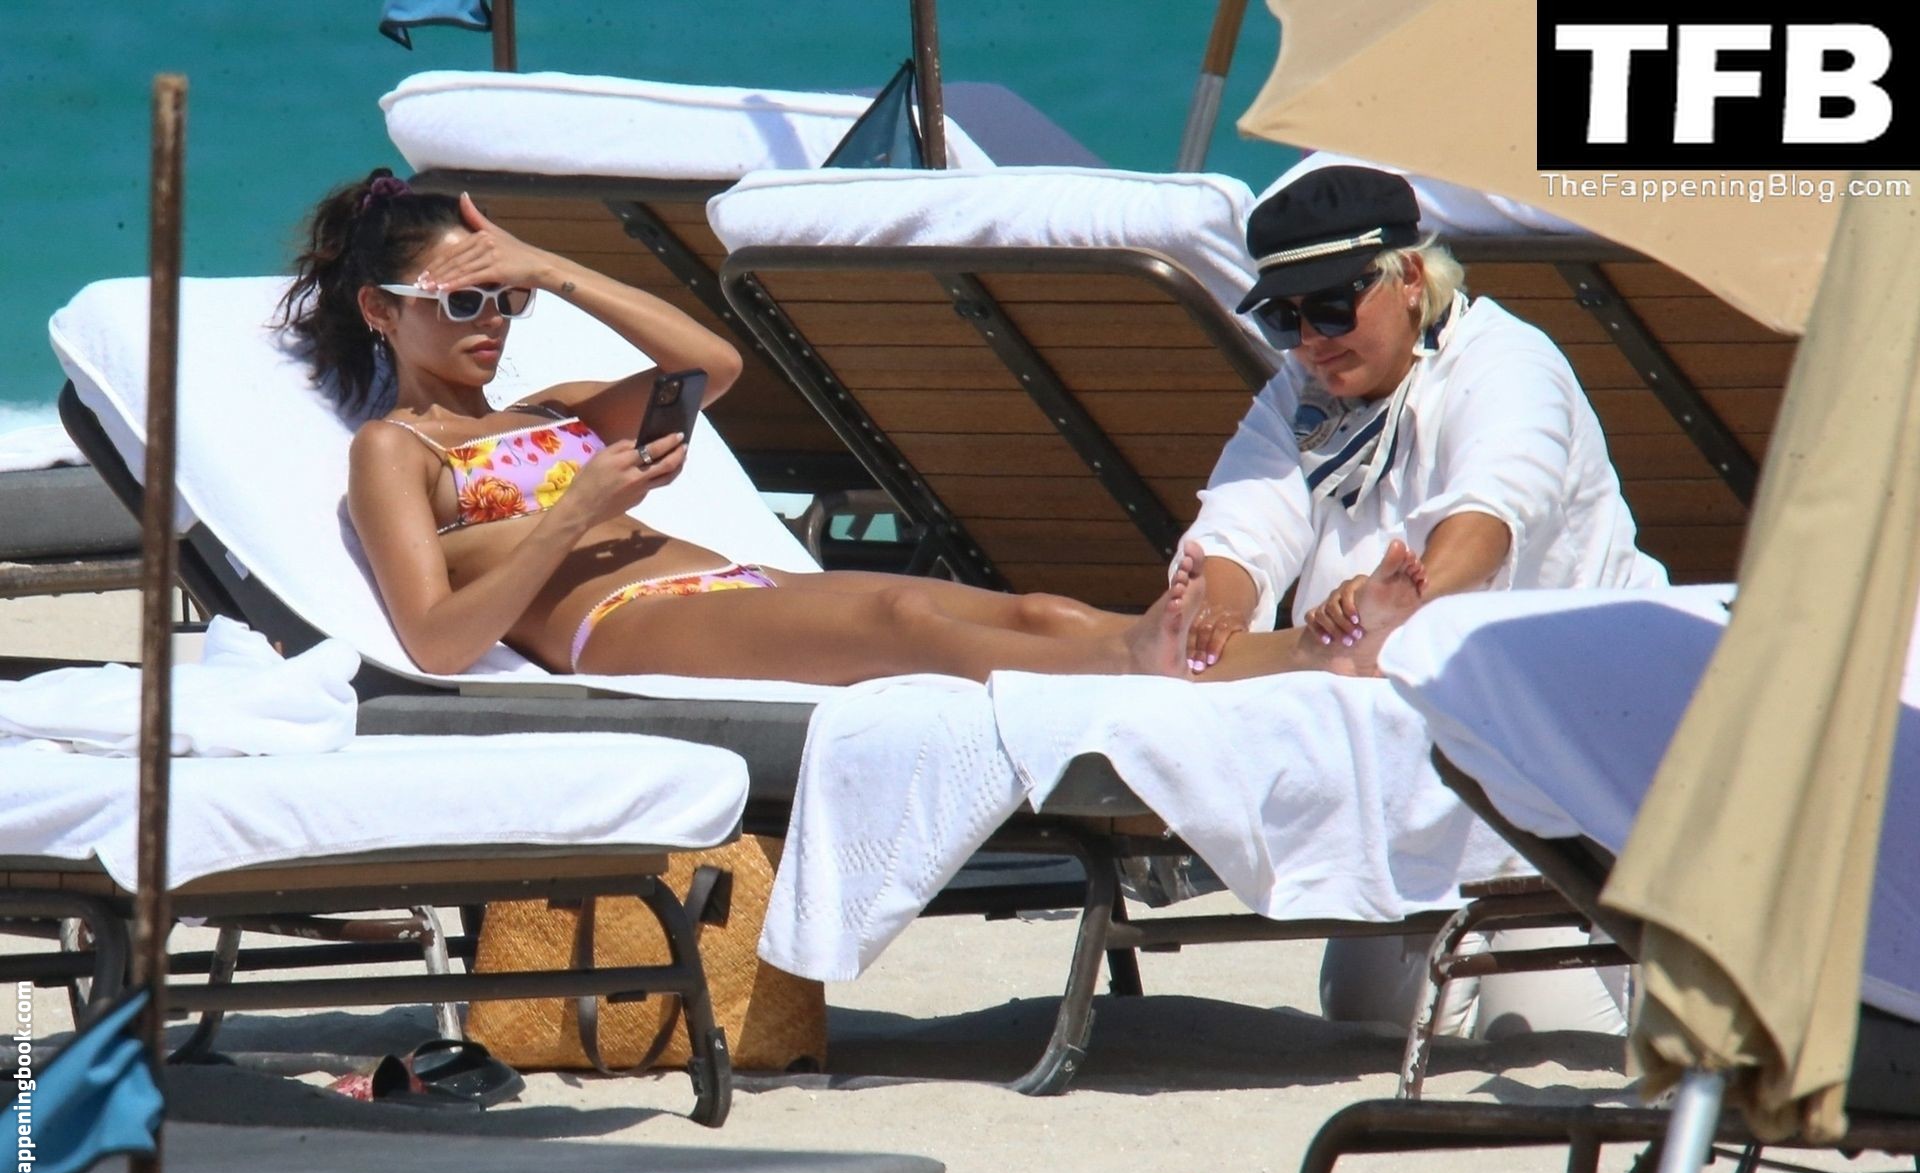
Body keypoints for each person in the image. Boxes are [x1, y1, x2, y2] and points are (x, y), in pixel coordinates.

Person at [280, 169, 1421, 684]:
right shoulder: (396, 453)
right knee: (900, 613)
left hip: (723, 584)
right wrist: (575, 512)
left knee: (1036, 609)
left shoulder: (554, 408)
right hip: (622, 626)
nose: (491, 321)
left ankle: (1309, 654)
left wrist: (556, 268)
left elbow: (711, 365)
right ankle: (1157, 659)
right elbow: (437, 641)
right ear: (381, 312)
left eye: (503, 299)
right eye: (461, 301)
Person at [1177, 165, 1666, 675]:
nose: (1309, 339)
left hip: (1584, 672)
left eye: (1331, 306)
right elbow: (1242, 524)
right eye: (1281, 317)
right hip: (1382, 677)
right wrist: (1219, 615)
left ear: (1409, 277)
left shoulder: (1506, 358)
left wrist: (1402, 600)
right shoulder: (1300, 386)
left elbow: (1491, 514)